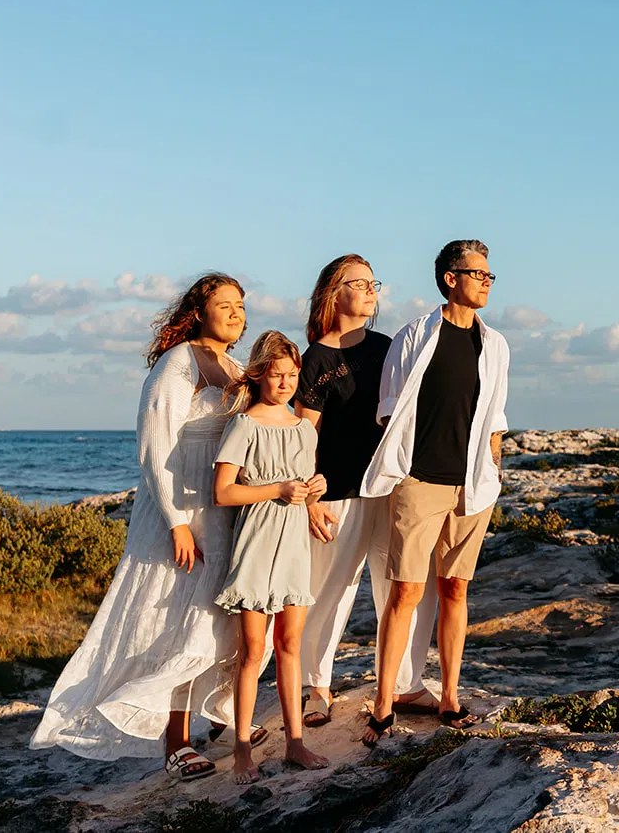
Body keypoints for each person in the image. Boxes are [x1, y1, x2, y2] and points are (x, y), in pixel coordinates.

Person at [31, 273, 258, 782]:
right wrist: (178, 523)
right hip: (182, 507)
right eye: (224, 305)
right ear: (198, 311)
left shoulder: (235, 367)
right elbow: (154, 449)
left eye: (240, 306)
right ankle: (175, 743)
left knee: (219, 617)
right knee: (178, 620)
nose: (235, 313)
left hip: (222, 508)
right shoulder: (177, 364)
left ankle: (221, 716)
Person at [360, 240, 510, 746]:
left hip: (473, 486)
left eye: (491, 275)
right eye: (479, 274)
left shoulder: (496, 344)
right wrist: (401, 473)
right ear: (451, 278)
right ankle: (383, 703)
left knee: (456, 589)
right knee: (405, 591)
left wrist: (494, 458)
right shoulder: (415, 335)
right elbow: (388, 410)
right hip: (420, 480)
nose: (487, 282)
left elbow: (496, 415)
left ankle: (449, 697)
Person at [295, 254, 440, 729]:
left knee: (402, 585)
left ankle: (405, 683)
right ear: (333, 293)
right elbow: (303, 435)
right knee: (328, 591)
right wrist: (310, 500)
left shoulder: (389, 347)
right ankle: (314, 686)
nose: (371, 289)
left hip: (391, 486)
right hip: (335, 490)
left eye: (373, 281)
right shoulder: (315, 356)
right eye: (359, 282)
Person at [212, 330, 329, 781]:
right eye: (276, 375)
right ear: (259, 375)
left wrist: (315, 489)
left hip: (295, 546)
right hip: (257, 546)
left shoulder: (304, 427)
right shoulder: (243, 425)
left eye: (292, 375)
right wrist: (277, 489)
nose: (285, 383)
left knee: (291, 646)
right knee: (253, 651)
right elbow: (223, 492)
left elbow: (306, 482)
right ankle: (242, 748)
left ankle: (295, 743)